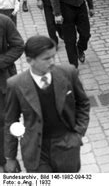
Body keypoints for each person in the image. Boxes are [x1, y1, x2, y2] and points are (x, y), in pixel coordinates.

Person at [3, 35, 90, 173]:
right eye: (46, 58)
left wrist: (78, 132)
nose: (52, 62)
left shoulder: (68, 73)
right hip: (36, 151)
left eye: (53, 56)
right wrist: (11, 157)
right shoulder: (16, 85)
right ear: (29, 60)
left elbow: (83, 103)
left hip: (66, 147)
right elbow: (10, 121)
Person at [0, 14, 24, 171]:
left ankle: (7, 160)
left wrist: (1, 62)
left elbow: (18, 46)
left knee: (5, 120)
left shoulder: (4, 21)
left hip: (2, 81)